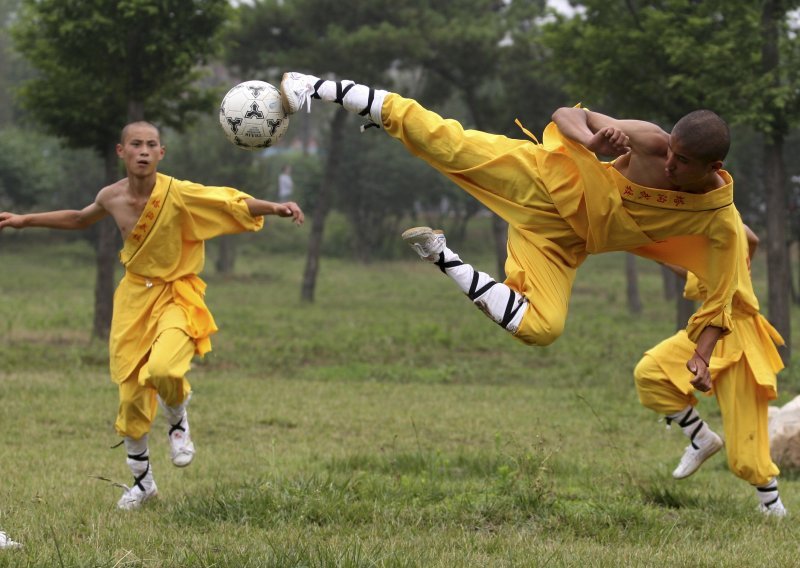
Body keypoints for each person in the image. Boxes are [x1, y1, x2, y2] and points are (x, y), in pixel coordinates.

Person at [279, 72, 740, 388]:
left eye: (681, 162)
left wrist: (700, 356)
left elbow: (722, 293)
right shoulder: (653, 141)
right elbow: (566, 114)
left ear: (713, 167)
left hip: (559, 244)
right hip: (542, 177)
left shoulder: (719, 219)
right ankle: (316, 86)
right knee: (444, 141)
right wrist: (591, 140)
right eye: (671, 152)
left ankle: (440, 254)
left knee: (544, 328)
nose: (669, 163)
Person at [0, 121, 304, 510]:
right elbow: (79, 218)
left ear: (161, 154)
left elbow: (230, 202)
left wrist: (275, 207)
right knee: (130, 397)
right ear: (121, 152)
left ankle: (177, 420)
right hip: (133, 301)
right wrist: (25, 220)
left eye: (151, 145)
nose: (143, 151)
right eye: (136, 144)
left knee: (163, 370)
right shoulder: (110, 197)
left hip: (177, 294)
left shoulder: (177, 193)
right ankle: (143, 485)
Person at [634, 221, 786, 516]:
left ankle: (773, 508)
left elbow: (747, 241)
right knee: (650, 372)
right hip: (708, 331)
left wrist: (717, 210)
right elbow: (746, 242)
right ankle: (700, 436)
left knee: (744, 455)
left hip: (742, 341)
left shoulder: (724, 239)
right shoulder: (711, 241)